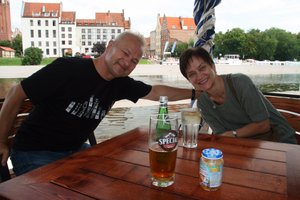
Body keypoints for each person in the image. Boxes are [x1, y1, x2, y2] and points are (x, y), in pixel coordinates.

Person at [0, 31, 196, 176]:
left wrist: (196, 93)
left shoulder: (119, 84)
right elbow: (15, 94)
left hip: (75, 150)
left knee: (123, 176)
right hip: (34, 152)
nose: (127, 62)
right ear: (110, 46)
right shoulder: (68, 69)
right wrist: (0, 141)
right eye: (125, 53)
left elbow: (157, 92)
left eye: (134, 60)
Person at [179, 47, 297, 144]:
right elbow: (222, 135)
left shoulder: (239, 82)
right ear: (189, 80)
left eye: (202, 68)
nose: (199, 76)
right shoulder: (203, 103)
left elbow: (263, 125)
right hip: (245, 147)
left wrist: (233, 134)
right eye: (192, 74)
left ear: (213, 66)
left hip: (279, 142)